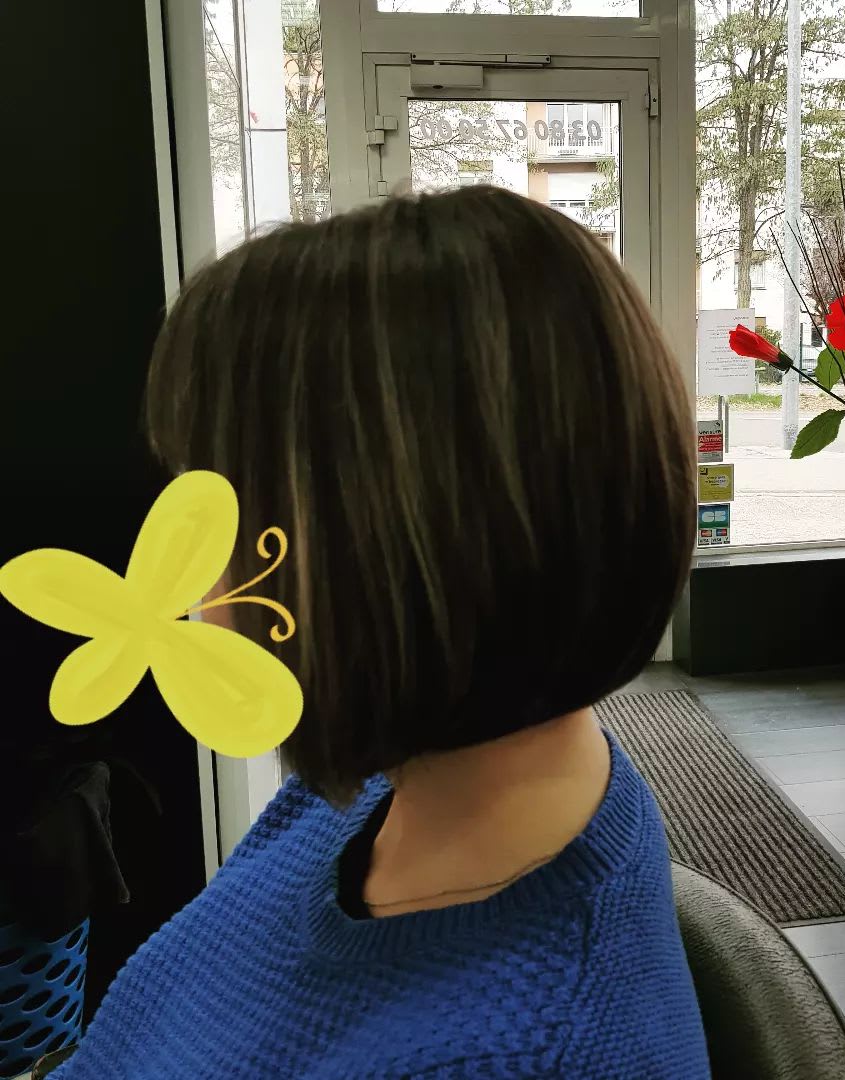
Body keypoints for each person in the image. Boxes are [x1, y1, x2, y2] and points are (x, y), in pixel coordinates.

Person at [52, 186, 708, 1078]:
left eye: (209, 513)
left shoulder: (507, 1056)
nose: (179, 567)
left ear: (372, 554)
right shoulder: (384, 789)